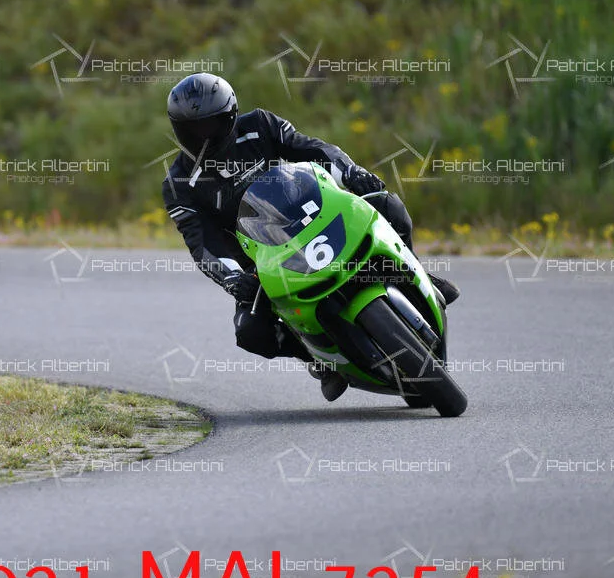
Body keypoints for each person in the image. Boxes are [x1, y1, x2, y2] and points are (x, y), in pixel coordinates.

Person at [161, 73, 458, 401]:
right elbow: (202, 244)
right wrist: (233, 279)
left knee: (387, 204)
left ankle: (419, 274)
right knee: (250, 332)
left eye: (210, 125)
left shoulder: (260, 124)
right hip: (261, 262)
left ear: (230, 116)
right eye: (192, 129)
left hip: (315, 215)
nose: (203, 137)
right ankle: (317, 360)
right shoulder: (178, 184)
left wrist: (351, 173)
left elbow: (313, 150)